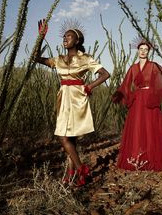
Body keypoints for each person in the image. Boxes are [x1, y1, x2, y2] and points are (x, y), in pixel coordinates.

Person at [34, 19, 110, 186]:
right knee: (69, 139)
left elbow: (105, 74)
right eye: (64, 37)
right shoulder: (58, 59)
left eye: (69, 36)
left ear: (77, 40)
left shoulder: (86, 59)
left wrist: (90, 86)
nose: (65, 39)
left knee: (64, 137)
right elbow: (36, 57)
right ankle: (74, 174)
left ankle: (80, 169)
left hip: (77, 98)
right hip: (63, 98)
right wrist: (41, 37)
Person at [112, 39, 162, 171]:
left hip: (150, 100)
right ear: (138, 51)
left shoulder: (153, 66)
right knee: (137, 128)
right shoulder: (133, 68)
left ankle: (150, 159)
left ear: (149, 52)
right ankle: (136, 159)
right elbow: (125, 85)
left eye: (146, 50)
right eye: (141, 49)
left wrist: (157, 94)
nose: (143, 51)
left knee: (150, 128)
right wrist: (119, 94)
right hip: (137, 101)